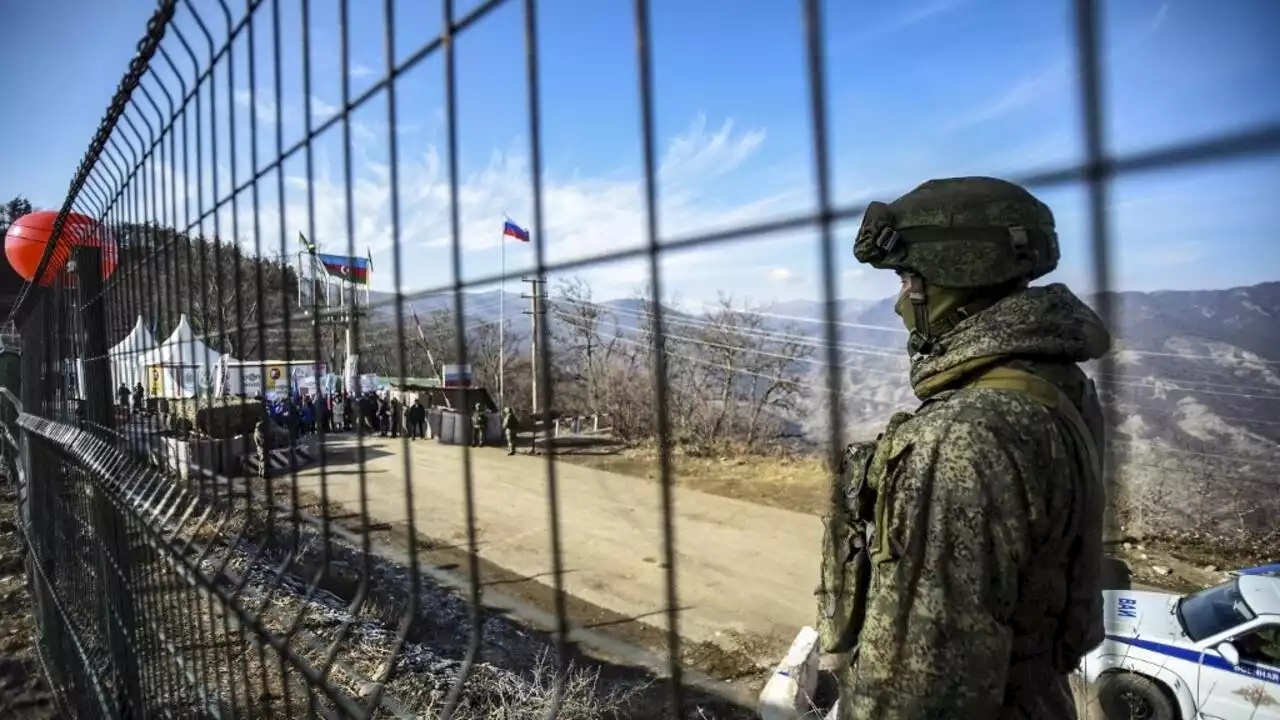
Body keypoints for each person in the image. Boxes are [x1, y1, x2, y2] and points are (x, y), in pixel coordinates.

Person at [817, 177, 1109, 719]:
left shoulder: (962, 436)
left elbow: (920, 691)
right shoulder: (1057, 389)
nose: (900, 302)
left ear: (955, 277)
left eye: (908, 279)